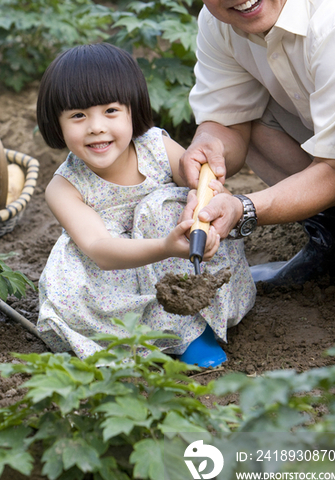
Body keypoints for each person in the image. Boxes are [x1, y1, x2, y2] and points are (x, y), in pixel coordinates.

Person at [170, 0, 335, 289]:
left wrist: (244, 208)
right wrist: (208, 153)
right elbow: (228, 121)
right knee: (247, 116)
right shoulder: (219, 23)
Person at [35, 43, 255, 364]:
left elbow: (202, 183)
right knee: (72, 285)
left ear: (131, 110)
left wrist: (203, 198)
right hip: (117, 273)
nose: (96, 126)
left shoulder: (156, 146)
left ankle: (194, 331)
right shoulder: (64, 186)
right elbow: (99, 249)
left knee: (162, 207)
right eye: (78, 116)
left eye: (110, 111)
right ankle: (140, 340)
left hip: (181, 259)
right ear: (57, 124)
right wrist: (164, 246)